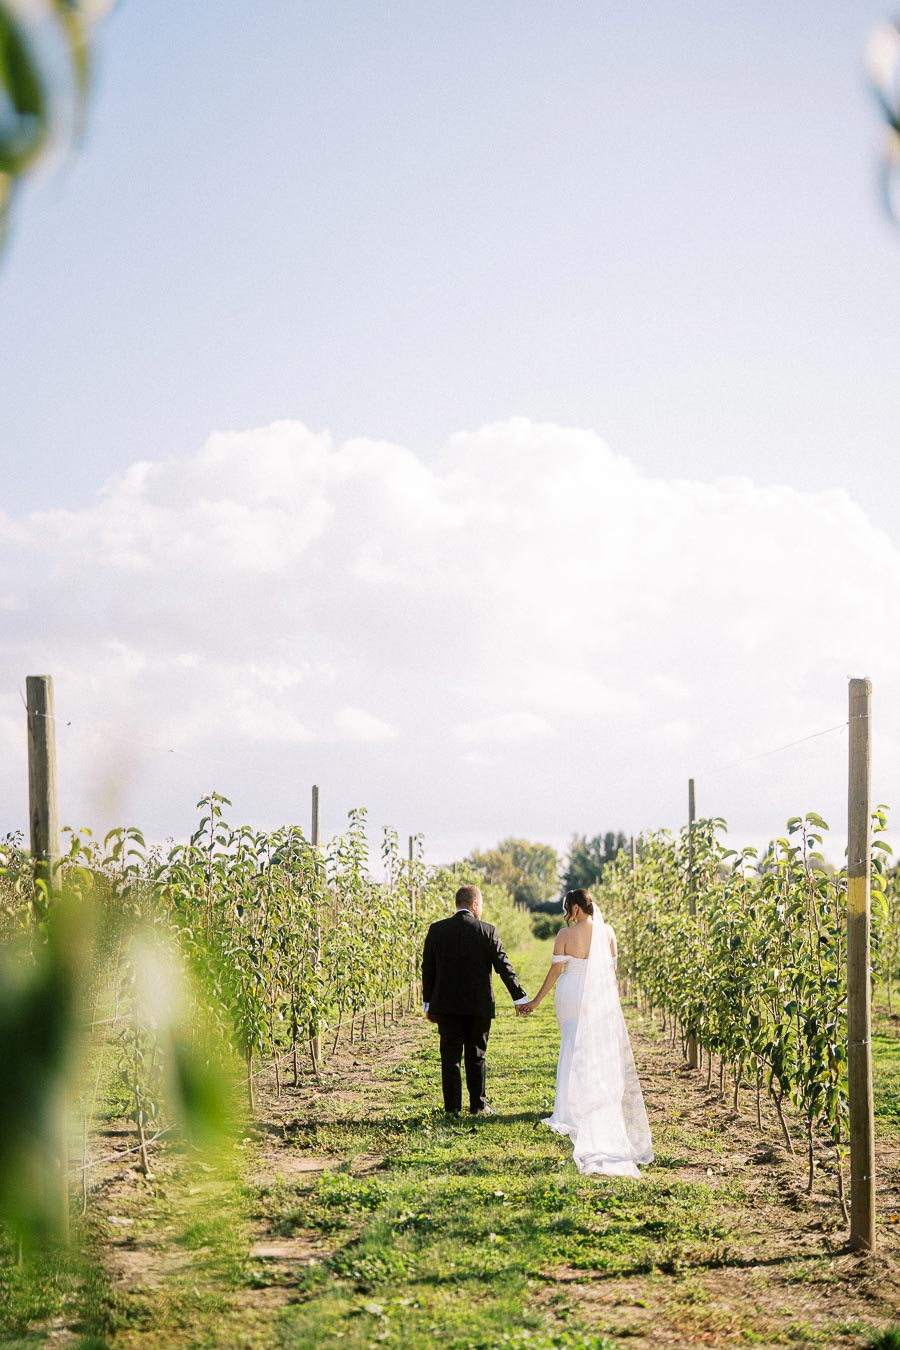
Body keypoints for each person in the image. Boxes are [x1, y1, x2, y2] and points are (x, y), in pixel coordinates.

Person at [522, 888, 653, 1177]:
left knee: (571, 1043)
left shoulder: (564, 935)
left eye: (567, 908)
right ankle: (592, 1101)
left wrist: (535, 1001)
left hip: (570, 994)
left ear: (576, 909)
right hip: (597, 995)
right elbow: (612, 972)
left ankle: (568, 1111)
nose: (566, 914)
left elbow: (555, 972)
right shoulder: (608, 932)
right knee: (594, 1047)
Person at [422, 884, 529, 1116]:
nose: (481, 909)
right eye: (480, 905)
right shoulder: (488, 931)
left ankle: (452, 1108)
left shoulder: (437, 930)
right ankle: (478, 1105)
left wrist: (427, 1003)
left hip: (446, 1006)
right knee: (477, 1054)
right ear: (474, 905)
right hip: (478, 1006)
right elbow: (504, 967)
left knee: (450, 1057)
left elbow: (427, 969)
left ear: (456, 904)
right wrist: (519, 996)